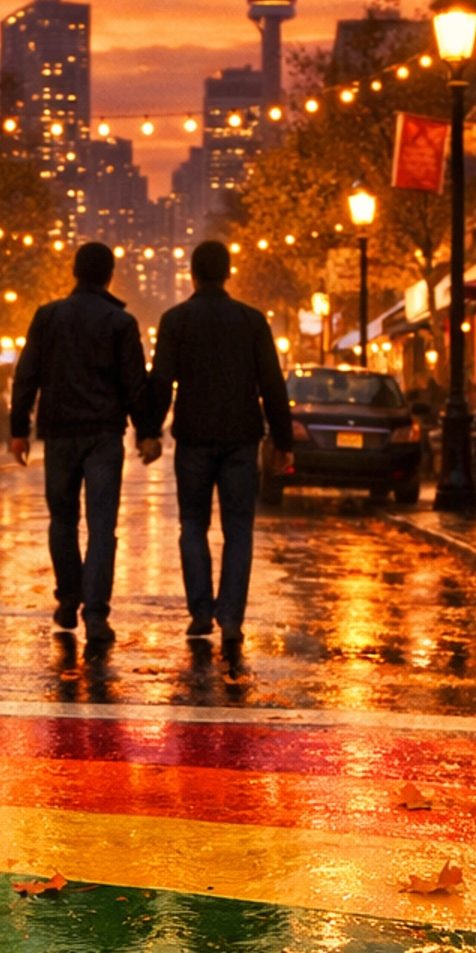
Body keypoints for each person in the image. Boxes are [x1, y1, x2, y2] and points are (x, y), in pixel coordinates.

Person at [9, 240, 158, 648]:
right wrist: (147, 431)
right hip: (104, 435)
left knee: (62, 520)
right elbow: (134, 384)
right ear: (109, 275)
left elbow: (26, 375)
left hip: (58, 434)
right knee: (101, 526)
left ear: (75, 272)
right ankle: (95, 614)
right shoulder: (120, 323)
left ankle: (67, 598)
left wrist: (18, 428)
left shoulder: (47, 316)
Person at [149, 238, 293, 650]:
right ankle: (230, 616)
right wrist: (283, 439)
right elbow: (271, 385)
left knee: (192, 524)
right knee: (238, 529)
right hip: (241, 439)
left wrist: (149, 430)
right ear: (229, 273)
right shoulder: (251, 320)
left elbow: (161, 382)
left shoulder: (175, 320)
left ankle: (200, 612)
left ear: (192, 275)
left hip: (193, 437)